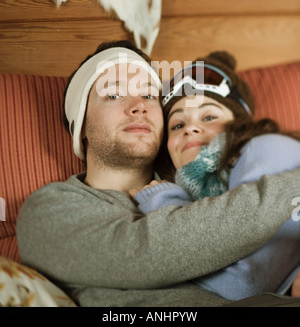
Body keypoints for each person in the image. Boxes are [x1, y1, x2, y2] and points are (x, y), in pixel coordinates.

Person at [16, 40, 300, 307]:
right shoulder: (50, 208)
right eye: (113, 94)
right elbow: (148, 251)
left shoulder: (205, 179)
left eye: (149, 95)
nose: (138, 105)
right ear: (81, 128)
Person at [129, 51, 300, 301]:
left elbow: (242, 285)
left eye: (209, 116)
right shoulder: (199, 190)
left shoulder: (265, 149)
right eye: (177, 125)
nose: (191, 128)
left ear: (240, 125)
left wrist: (166, 206)